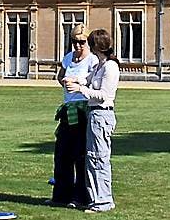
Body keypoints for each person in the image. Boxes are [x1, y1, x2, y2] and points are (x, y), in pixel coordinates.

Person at [64, 28, 120, 214]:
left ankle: (103, 201)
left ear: (97, 46)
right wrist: (72, 80)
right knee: (92, 158)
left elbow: (104, 95)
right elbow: (85, 79)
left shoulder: (110, 67)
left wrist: (80, 89)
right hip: (93, 114)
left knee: (99, 159)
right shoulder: (99, 66)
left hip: (102, 114)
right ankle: (97, 199)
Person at [50, 25, 98, 208]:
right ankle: (61, 195)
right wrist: (63, 81)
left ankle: (81, 197)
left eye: (81, 42)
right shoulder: (68, 58)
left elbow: (94, 83)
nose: (78, 46)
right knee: (62, 153)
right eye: (74, 42)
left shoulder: (92, 60)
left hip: (82, 109)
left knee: (80, 154)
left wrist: (78, 83)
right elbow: (60, 76)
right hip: (68, 109)